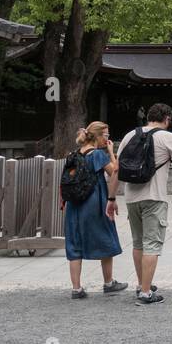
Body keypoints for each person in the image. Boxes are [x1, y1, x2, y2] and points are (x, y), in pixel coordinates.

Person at [115, 103, 172, 305]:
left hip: (131, 196)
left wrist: (111, 198)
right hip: (154, 196)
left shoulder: (129, 135)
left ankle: (143, 284)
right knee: (152, 244)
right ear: (167, 119)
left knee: (138, 243)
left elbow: (117, 168)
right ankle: (145, 293)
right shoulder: (168, 137)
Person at [64, 121, 128, 299]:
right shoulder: (97, 155)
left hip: (74, 203)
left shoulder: (74, 154)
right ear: (98, 136)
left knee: (74, 243)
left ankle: (76, 288)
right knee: (105, 236)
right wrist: (111, 152)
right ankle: (108, 283)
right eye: (106, 136)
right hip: (95, 201)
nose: (108, 139)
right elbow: (115, 171)